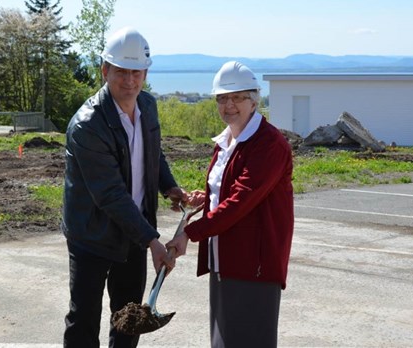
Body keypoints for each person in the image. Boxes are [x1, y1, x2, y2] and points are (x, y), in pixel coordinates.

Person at [61, 26, 185, 348]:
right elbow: (110, 194)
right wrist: (152, 240)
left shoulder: (147, 106)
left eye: (136, 72)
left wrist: (169, 187)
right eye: (121, 72)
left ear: (145, 73)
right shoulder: (88, 125)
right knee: (84, 319)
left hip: (133, 232)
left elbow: (151, 151)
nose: (129, 81)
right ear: (105, 70)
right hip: (92, 236)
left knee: (129, 319)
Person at [166, 61, 294, 348]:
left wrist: (190, 233)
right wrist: (206, 198)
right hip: (225, 260)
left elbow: (241, 200)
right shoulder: (227, 141)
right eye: (222, 98)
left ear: (254, 100)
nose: (229, 105)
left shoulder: (269, 144)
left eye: (237, 97)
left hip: (255, 266)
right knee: (224, 342)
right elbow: (228, 192)